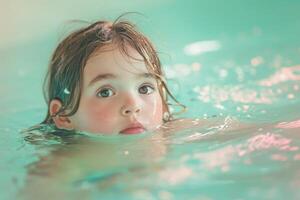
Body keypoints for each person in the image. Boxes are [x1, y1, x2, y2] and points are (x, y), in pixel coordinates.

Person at [41, 15, 186, 135]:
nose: (133, 105)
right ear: (63, 116)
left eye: (145, 89)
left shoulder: (180, 135)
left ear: (164, 105)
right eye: (105, 92)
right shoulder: (64, 163)